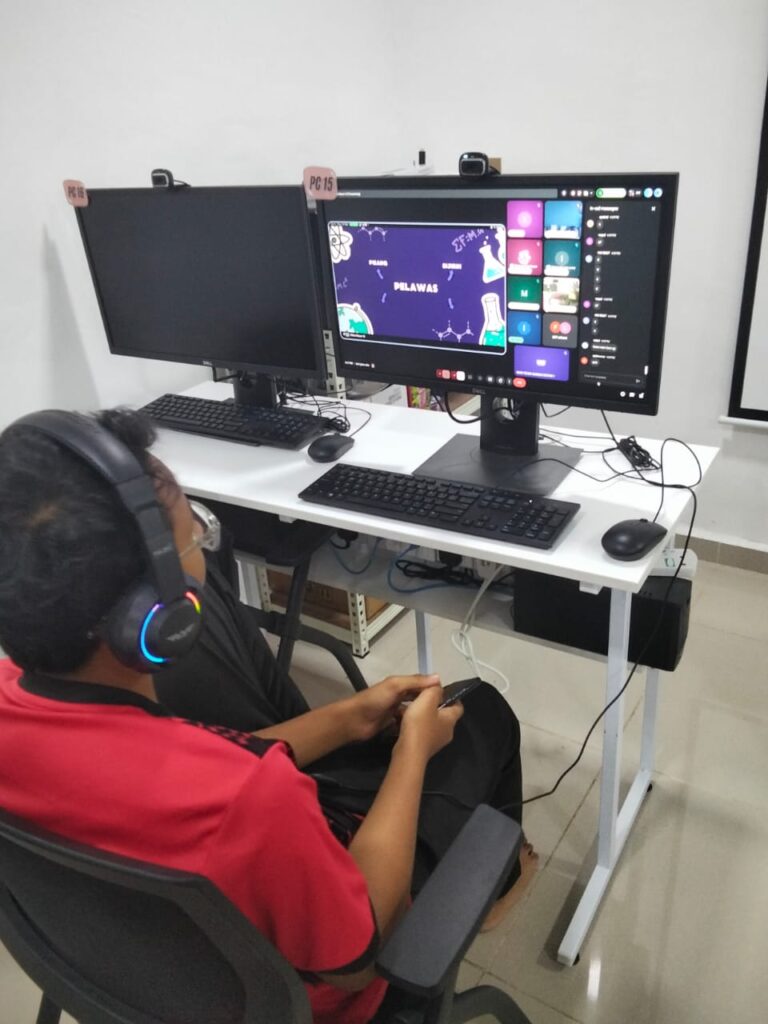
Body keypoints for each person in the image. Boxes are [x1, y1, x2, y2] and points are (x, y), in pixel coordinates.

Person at [0, 408, 535, 1024]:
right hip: (329, 1000)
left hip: (125, 983)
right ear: (156, 617)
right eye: (195, 534)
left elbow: (216, 759)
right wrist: (413, 750)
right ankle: (497, 886)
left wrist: (347, 717)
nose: (204, 546)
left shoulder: (23, 702)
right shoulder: (253, 798)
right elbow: (359, 954)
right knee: (482, 712)